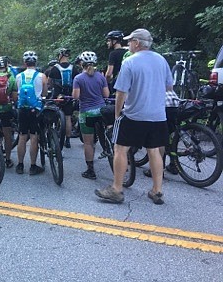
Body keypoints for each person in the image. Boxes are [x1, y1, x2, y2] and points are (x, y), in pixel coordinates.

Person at [95, 28, 173, 205]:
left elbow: (121, 92)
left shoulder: (130, 62)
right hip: (158, 115)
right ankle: (157, 190)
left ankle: (116, 189)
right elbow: (169, 87)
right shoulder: (162, 60)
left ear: (137, 43)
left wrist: (117, 115)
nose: (128, 44)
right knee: (154, 151)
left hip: (134, 114)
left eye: (130, 41)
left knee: (120, 148)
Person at [72, 51, 110, 180]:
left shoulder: (78, 78)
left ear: (81, 64)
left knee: (88, 143)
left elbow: (76, 96)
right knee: (105, 135)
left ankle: (90, 170)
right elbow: (106, 95)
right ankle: (109, 151)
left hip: (86, 112)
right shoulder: (101, 77)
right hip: (101, 111)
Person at [15, 51, 48, 175]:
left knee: (22, 136)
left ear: (25, 63)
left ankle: (20, 165)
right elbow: (44, 94)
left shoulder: (19, 76)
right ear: (36, 62)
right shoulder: (42, 76)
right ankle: (33, 166)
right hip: (36, 110)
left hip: (22, 109)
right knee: (34, 136)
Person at [47, 48, 78, 148]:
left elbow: (49, 82)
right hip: (69, 96)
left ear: (60, 56)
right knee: (68, 117)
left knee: (53, 113)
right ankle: (68, 140)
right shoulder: (74, 68)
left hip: (57, 96)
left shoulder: (54, 68)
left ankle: (54, 132)